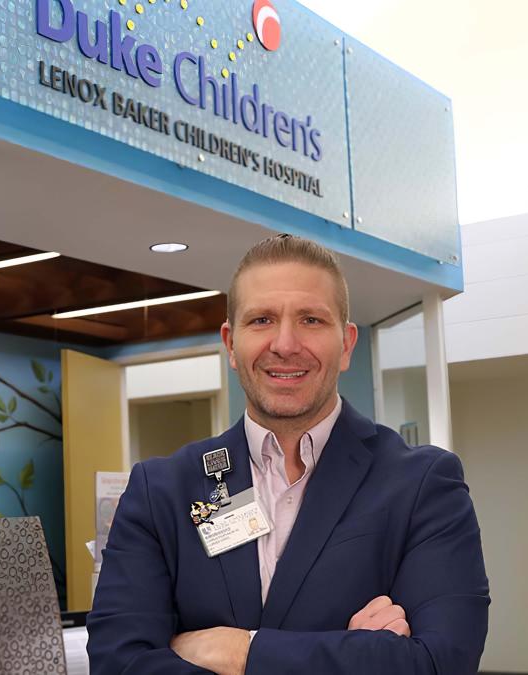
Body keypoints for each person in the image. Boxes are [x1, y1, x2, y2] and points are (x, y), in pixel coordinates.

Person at [87, 235, 489, 674]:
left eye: (311, 320)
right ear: (230, 343)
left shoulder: (422, 484)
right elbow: (118, 664)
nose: (284, 343)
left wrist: (241, 652)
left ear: (347, 344)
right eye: (261, 319)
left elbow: (440, 662)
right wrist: (353, 654)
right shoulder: (160, 491)